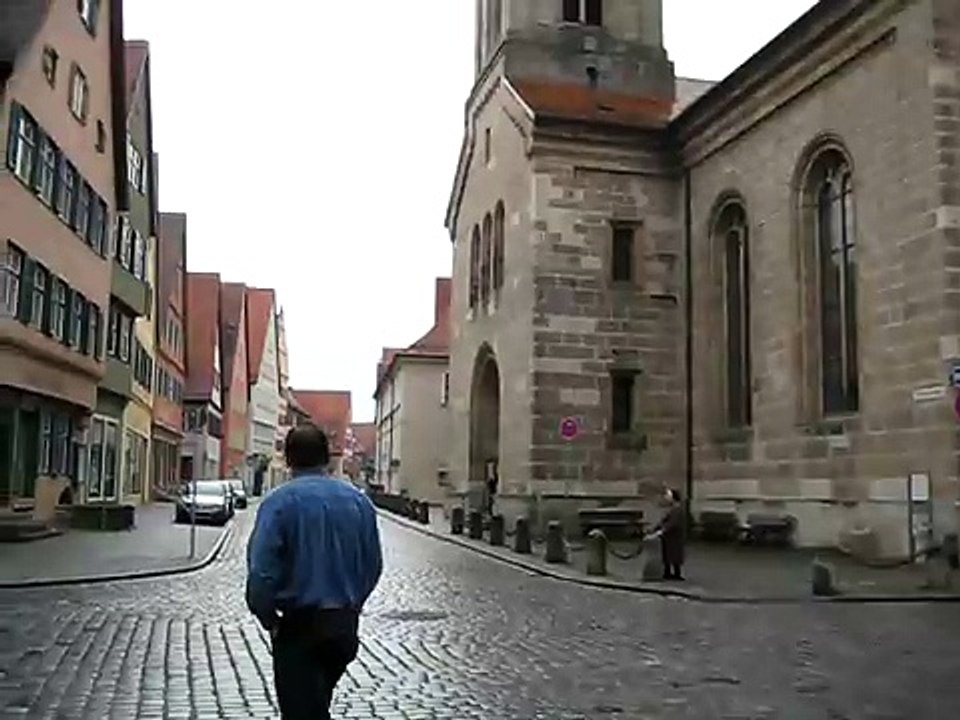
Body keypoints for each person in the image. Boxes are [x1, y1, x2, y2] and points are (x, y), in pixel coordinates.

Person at [246, 423, 383, 720]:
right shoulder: (360, 502)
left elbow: (261, 574)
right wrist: (352, 605)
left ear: (288, 459)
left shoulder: (278, 503)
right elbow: (373, 565)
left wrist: (270, 620)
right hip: (343, 628)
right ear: (327, 458)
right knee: (316, 705)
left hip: (299, 628)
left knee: (301, 711)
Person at [649, 488, 686, 581]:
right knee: (668, 554)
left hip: (674, 535)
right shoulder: (672, 509)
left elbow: (672, 523)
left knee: (674, 554)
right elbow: (663, 521)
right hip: (669, 536)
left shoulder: (677, 509)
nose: (666, 497)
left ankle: (676, 573)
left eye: (668, 496)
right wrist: (654, 529)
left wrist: (661, 531)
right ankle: (668, 572)